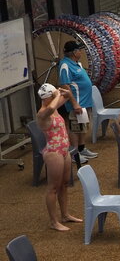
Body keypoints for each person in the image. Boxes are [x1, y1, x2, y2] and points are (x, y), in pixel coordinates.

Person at [35, 84, 82, 231]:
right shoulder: (42, 113)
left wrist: (68, 94)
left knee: (64, 184)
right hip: (53, 152)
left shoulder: (53, 106)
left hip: (64, 149)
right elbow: (49, 109)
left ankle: (65, 214)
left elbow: (66, 97)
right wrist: (56, 96)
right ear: (48, 97)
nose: (56, 96)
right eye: (54, 95)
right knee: (53, 187)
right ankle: (54, 222)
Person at [57, 41, 97, 161]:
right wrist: (74, 103)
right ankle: (74, 153)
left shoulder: (76, 63)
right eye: (79, 50)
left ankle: (81, 148)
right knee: (75, 127)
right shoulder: (65, 65)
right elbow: (65, 85)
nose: (81, 52)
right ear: (74, 52)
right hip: (77, 103)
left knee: (83, 126)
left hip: (85, 102)